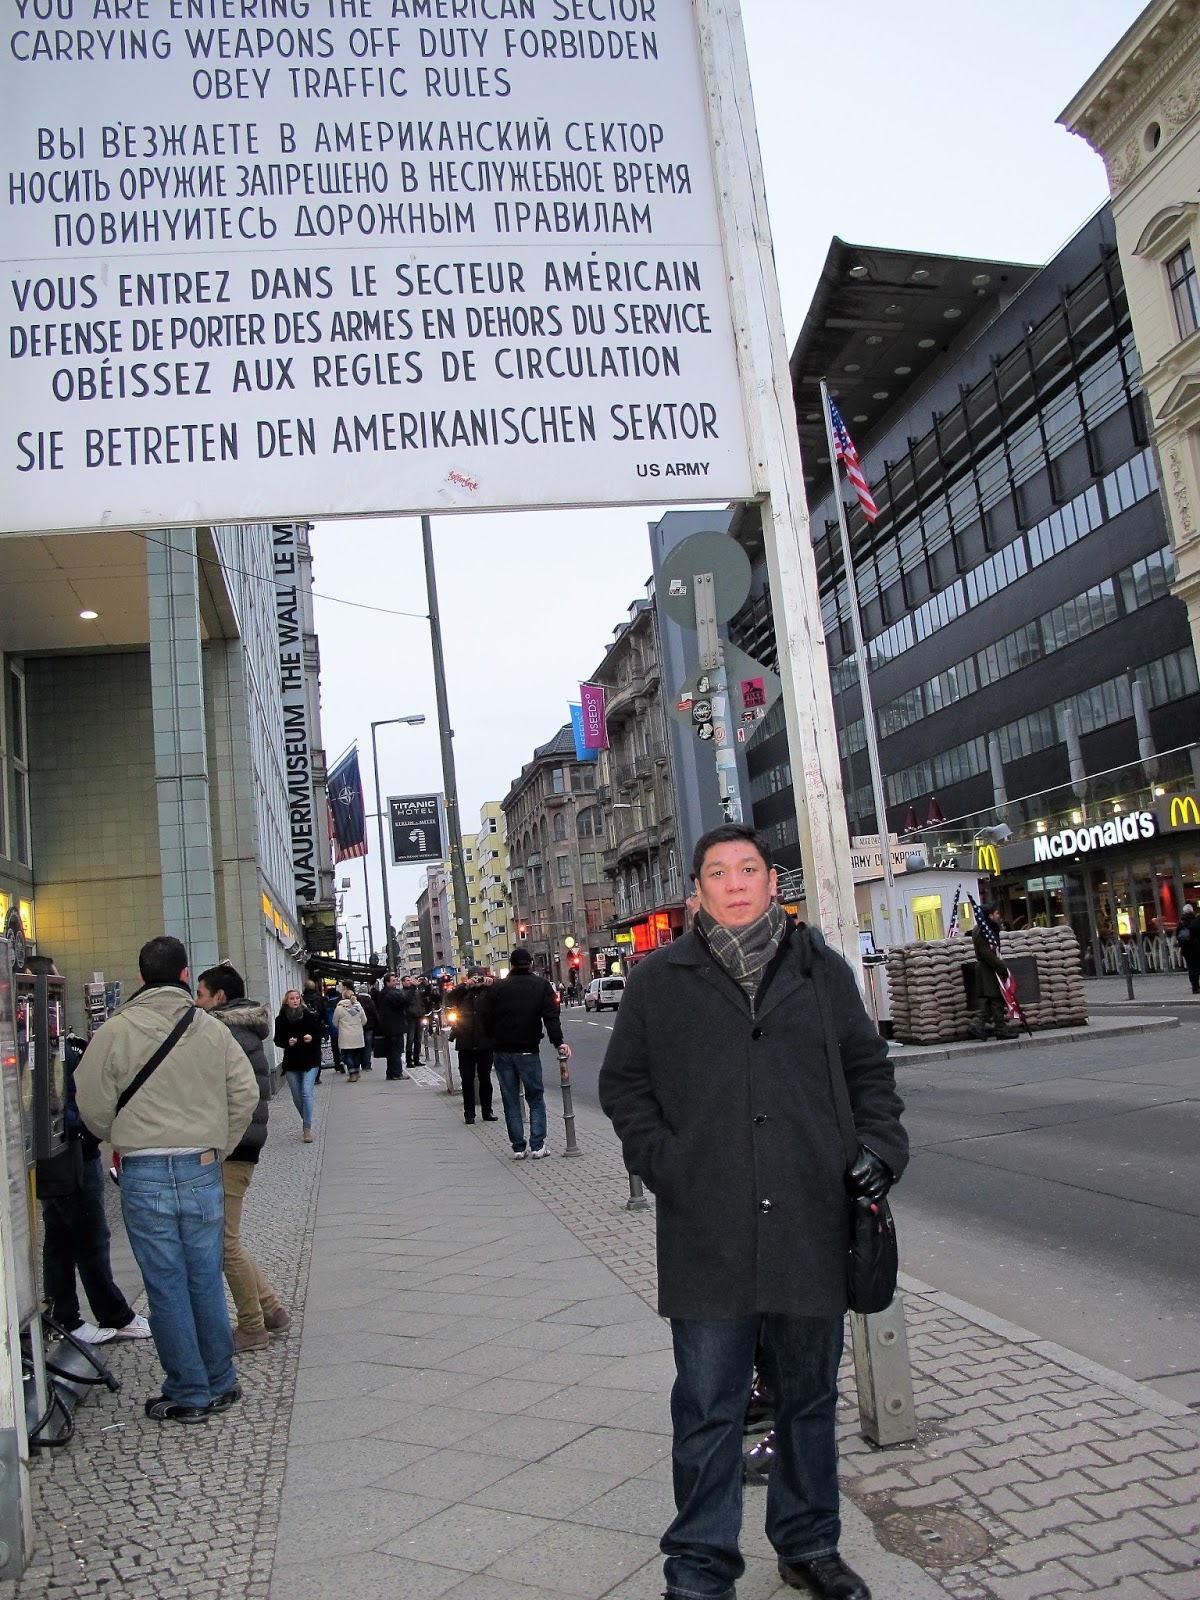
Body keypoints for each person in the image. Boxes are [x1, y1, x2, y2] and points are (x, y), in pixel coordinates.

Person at [599, 824, 907, 1600]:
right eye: (718, 872)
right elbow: (624, 1087)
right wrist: (670, 1166)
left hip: (809, 1220)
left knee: (808, 1400)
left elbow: (869, 1070)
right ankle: (700, 1568)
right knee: (709, 1408)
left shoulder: (819, 970)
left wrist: (880, 1146)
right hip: (708, 1232)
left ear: (773, 882)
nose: (735, 883)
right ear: (697, 890)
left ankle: (809, 1545)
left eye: (748, 869)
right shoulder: (658, 980)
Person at [75, 935, 259, 1423]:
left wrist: (121, 1135)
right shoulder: (211, 1030)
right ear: (184, 975)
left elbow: (90, 1102)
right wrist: (218, 1145)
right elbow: (245, 1093)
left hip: (144, 1169)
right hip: (202, 1165)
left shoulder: (114, 1031)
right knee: (204, 1277)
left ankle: (189, 1390)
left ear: (140, 977)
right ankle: (220, 1380)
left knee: (165, 1284)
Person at [196, 964, 292, 1355]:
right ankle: (272, 1310)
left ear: (219, 997)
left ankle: (252, 1327)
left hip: (232, 1145)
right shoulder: (239, 1029)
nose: (196, 1002)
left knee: (224, 1242)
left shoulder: (223, 1032)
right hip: (243, 1143)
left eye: (201, 994)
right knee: (228, 1238)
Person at [38, 1030, 151, 1345]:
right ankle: (108, 1314)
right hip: (70, 1152)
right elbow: (57, 1103)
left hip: (67, 1151)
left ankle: (65, 1316)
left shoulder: (54, 1044)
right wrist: (89, 1129)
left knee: (61, 1238)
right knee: (89, 1236)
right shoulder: (48, 1047)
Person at [482, 946, 569, 1159]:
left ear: (511, 965)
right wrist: (558, 1042)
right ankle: (538, 1145)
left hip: (502, 1050)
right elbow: (551, 1017)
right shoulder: (541, 985)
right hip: (528, 1049)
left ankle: (518, 1147)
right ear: (530, 963)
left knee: (510, 1099)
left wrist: (493, 1040)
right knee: (535, 1097)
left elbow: (485, 1017)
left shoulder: (497, 988)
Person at [445, 967, 497, 1125]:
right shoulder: (463, 992)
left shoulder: (488, 991)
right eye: (474, 977)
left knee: (485, 1078)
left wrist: (491, 984)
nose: (477, 980)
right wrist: (465, 986)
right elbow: (448, 999)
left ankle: (487, 1111)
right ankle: (469, 1113)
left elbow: (501, 999)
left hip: (484, 1042)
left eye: (479, 977)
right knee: (467, 1079)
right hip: (465, 1042)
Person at [274, 988, 322, 1141]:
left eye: (297, 998)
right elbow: (277, 1040)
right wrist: (287, 1042)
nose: (295, 1001)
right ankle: (306, 1119)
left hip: (310, 1060)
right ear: (286, 1001)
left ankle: (307, 1128)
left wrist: (311, 1037)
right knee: (297, 1097)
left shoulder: (309, 1016)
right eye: (292, 998)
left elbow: (319, 1033)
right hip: (292, 1062)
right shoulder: (281, 1019)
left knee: (307, 1092)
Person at [968, 904, 1014, 1041]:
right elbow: (986, 953)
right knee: (996, 999)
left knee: (992, 999)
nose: (998, 916)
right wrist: (1001, 967)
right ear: (989, 915)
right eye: (996, 913)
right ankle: (999, 1029)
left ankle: (979, 1024)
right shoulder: (982, 931)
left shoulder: (985, 928)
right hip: (987, 968)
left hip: (988, 967)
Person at [374, 974, 410, 1081]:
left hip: (388, 1027)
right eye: (393, 981)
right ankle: (397, 1073)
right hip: (395, 1027)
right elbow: (404, 1000)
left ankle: (390, 1073)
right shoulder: (391, 994)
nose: (395, 982)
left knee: (390, 1051)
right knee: (396, 1051)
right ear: (387, 982)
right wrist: (412, 988)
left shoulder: (383, 994)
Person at [333, 984, 368, 1080]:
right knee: (357, 1054)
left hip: (345, 1035)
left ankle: (352, 1073)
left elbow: (335, 1022)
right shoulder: (358, 1006)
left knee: (348, 1054)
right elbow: (364, 1020)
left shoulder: (339, 1008)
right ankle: (357, 1071)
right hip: (357, 1034)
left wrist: (341, 1026)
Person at [401, 976, 426, 1072]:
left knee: (418, 1039)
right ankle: (409, 1061)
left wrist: (426, 984)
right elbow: (407, 1000)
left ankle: (416, 1059)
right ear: (403, 982)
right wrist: (413, 987)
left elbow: (425, 995)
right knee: (410, 1040)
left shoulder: (416, 991)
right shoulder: (403, 992)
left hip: (419, 1016)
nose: (409, 982)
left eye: (410, 980)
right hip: (410, 1018)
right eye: (407, 981)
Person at [1177, 904, 1200, 994]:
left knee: (1191, 967)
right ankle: (1195, 986)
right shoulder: (1195, 921)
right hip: (1195, 948)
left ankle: (1194, 984)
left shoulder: (1180, 923)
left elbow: (1178, 935)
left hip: (1185, 949)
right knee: (1196, 966)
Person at [357, 985, 378, 1068]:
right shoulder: (370, 1001)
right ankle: (367, 1064)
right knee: (368, 1046)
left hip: (359, 1026)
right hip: (369, 1026)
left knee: (359, 1045)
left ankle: (359, 1063)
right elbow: (375, 1013)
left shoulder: (356, 1001)